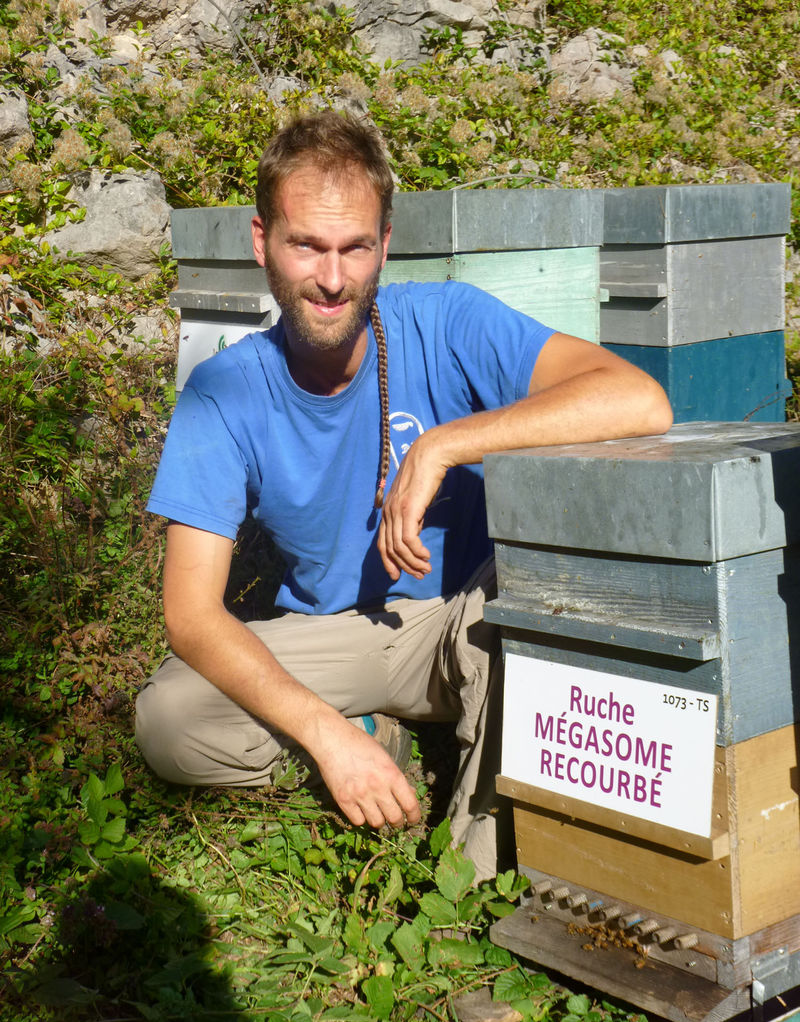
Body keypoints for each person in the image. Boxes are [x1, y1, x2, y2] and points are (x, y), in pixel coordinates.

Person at [135, 110, 672, 882]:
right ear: (262, 244)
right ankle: (374, 736)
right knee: (170, 719)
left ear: (385, 243)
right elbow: (190, 614)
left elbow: (638, 399)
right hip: (341, 634)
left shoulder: (446, 321)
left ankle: (470, 892)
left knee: (523, 612)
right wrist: (327, 735)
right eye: (306, 246)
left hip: (471, 623)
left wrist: (444, 444)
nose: (332, 277)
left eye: (355, 248)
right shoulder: (225, 393)